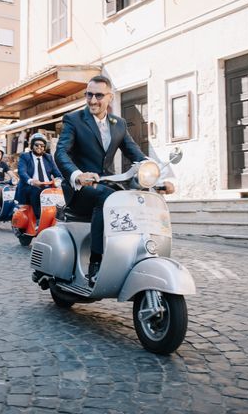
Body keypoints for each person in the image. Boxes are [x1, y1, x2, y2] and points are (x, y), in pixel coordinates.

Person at [54, 75, 175, 285]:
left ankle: (130, 254)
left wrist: (158, 178)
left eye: (98, 95)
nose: (92, 100)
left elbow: (136, 154)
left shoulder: (118, 124)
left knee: (132, 197)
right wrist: (77, 175)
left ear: (109, 97)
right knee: (108, 197)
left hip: (106, 184)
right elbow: (61, 153)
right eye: (89, 95)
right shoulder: (73, 120)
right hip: (81, 190)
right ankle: (96, 262)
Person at [15, 133, 62, 221]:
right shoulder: (25, 156)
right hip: (30, 186)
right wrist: (31, 181)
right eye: (37, 145)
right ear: (32, 145)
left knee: (61, 193)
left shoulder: (48, 157)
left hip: (47, 186)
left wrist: (60, 179)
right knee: (36, 190)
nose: (39, 147)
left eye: (42, 145)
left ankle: (57, 217)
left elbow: (57, 173)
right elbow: (22, 172)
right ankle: (38, 219)